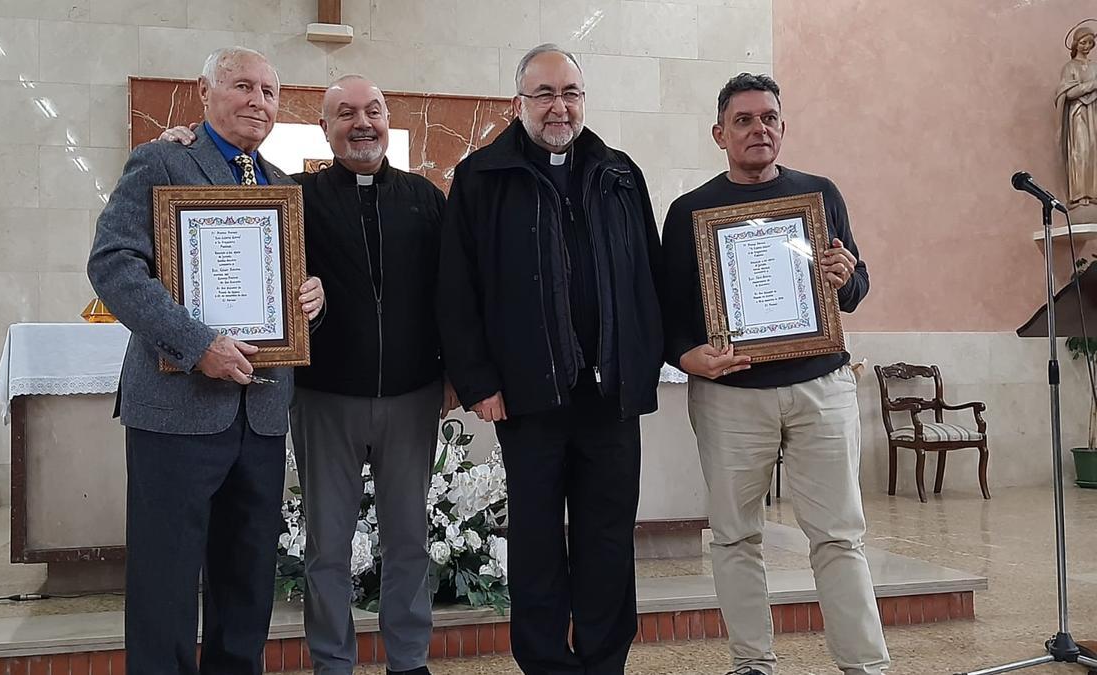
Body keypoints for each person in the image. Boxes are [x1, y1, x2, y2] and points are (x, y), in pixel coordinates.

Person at [160, 74, 454, 675]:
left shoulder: (425, 198)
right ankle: (332, 661)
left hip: (412, 396)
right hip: (324, 400)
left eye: (373, 110)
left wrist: (454, 374)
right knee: (327, 547)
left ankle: (409, 660)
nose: (363, 123)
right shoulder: (292, 197)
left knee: (409, 541)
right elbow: (228, 202)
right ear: (325, 128)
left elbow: (451, 294)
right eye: (346, 113)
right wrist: (182, 145)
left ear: (388, 119)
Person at [87, 46, 325, 675]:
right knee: (165, 584)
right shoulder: (162, 160)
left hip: (262, 415)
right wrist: (199, 346)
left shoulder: (281, 188)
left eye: (270, 92)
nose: (258, 101)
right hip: (176, 413)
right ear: (205, 91)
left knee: (246, 584)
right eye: (243, 85)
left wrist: (310, 300)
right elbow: (113, 264)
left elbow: (283, 298)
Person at [437, 43, 664, 675]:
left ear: (583, 100)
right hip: (528, 398)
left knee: (608, 541)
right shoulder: (482, 176)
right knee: (537, 545)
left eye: (569, 93)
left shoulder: (620, 173)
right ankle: (544, 664)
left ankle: (602, 662)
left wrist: (643, 367)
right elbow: (457, 291)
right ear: (519, 103)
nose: (558, 107)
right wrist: (479, 381)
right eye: (544, 94)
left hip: (610, 398)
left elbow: (647, 274)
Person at [660, 72, 889, 675]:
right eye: (743, 120)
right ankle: (752, 663)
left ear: (783, 128)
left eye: (768, 118)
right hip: (731, 395)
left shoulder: (819, 195)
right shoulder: (690, 211)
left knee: (840, 536)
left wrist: (847, 275)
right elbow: (668, 312)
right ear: (719, 133)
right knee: (736, 538)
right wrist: (687, 357)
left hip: (822, 386)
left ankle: (864, 665)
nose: (758, 129)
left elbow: (854, 289)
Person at [1056, 22, 1097, 211]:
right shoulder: (1069, 67)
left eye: (1089, 43)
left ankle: (1094, 193)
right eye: (1083, 43)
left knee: (1094, 151)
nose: (1086, 46)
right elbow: (1067, 93)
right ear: (1075, 45)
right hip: (1078, 114)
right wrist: (1092, 85)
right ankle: (1079, 194)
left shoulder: (1095, 66)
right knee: (1080, 152)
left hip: (1094, 114)